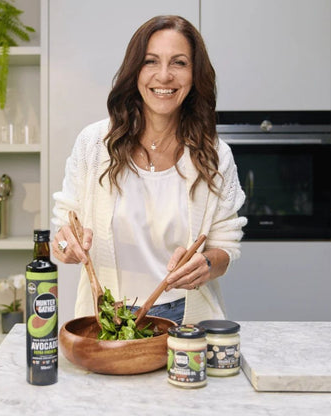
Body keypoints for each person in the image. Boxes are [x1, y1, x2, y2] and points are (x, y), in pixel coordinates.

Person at [51, 15, 247, 325]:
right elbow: (62, 233)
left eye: (179, 63)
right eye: (151, 61)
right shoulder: (93, 144)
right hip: (107, 318)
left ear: (195, 75)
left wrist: (206, 264)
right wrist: (66, 246)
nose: (165, 75)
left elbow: (225, 246)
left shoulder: (215, 156)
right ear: (135, 71)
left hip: (188, 320)